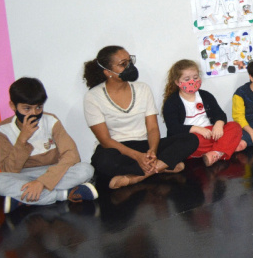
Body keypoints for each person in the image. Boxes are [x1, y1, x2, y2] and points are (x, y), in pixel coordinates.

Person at [83, 46, 199, 189]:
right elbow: (105, 140)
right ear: (107, 72)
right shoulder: (93, 97)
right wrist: (138, 156)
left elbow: (152, 128)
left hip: (144, 145)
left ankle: (138, 177)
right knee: (103, 161)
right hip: (118, 149)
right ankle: (163, 166)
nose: (129, 66)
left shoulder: (142, 88)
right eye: (123, 64)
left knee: (191, 139)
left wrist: (153, 152)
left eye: (130, 61)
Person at [0, 77, 98, 213]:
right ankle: (64, 194)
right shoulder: (4, 129)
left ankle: (23, 198)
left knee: (86, 169)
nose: (34, 113)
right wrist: (22, 140)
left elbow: (71, 155)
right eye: (27, 109)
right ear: (13, 106)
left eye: (38, 107)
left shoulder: (51, 121)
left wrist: (42, 182)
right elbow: (9, 170)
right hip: (24, 176)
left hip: (54, 171)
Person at [162, 59, 247, 166]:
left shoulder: (205, 95)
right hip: (192, 137)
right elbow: (173, 128)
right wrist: (197, 129)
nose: (192, 81)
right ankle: (227, 147)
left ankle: (216, 152)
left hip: (212, 133)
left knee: (234, 126)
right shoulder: (172, 102)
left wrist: (218, 125)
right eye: (187, 79)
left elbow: (220, 114)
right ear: (177, 82)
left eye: (195, 77)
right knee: (189, 143)